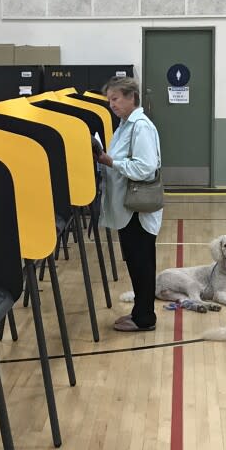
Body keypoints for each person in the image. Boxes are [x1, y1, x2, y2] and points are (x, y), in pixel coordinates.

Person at [96, 77, 163, 332]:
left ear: (131, 97)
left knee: (142, 263)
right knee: (136, 263)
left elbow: (146, 167)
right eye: (109, 100)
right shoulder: (125, 124)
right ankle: (139, 312)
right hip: (127, 207)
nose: (111, 104)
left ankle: (145, 318)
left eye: (115, 99)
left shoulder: (141, 127)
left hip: (138, 208)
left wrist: (111, 162)